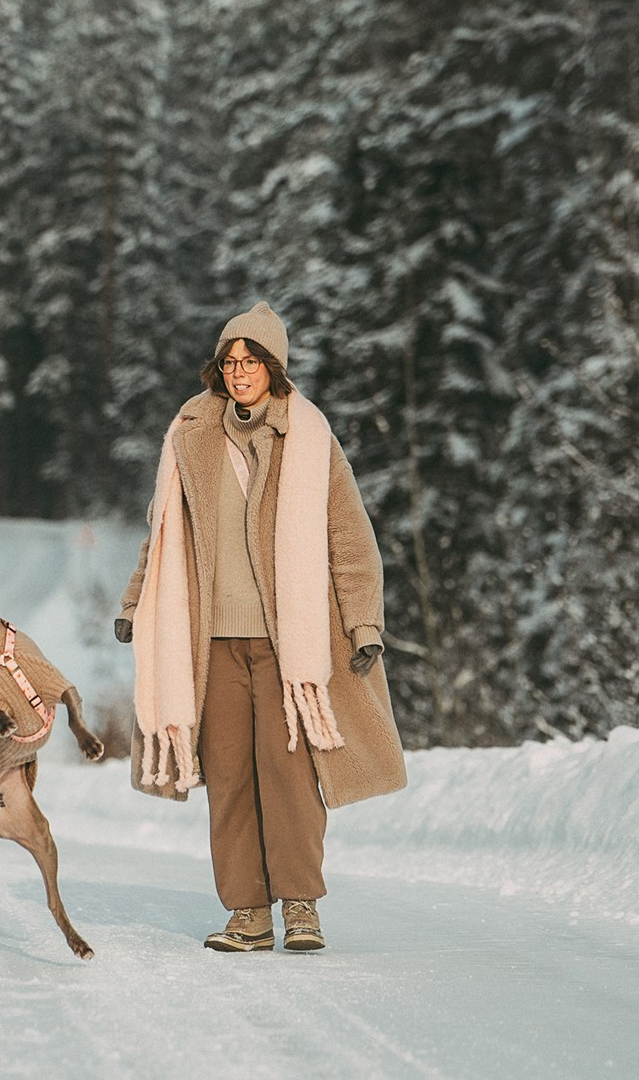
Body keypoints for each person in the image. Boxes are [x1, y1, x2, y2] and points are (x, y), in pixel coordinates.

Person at [116, 301, 406, 952]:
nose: (239, 371)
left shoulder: (307, 435)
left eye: (251, 361)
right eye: (230, 361)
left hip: (288, 645)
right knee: (228, 776)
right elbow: (162, 535)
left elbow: (349, 540)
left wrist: (363, 624)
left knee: (291, 776)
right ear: (218, 369)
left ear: (274, 368)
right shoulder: (190, 431)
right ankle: (247, 911)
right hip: (210, 642)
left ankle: (301, 905)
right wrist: (136, 605)